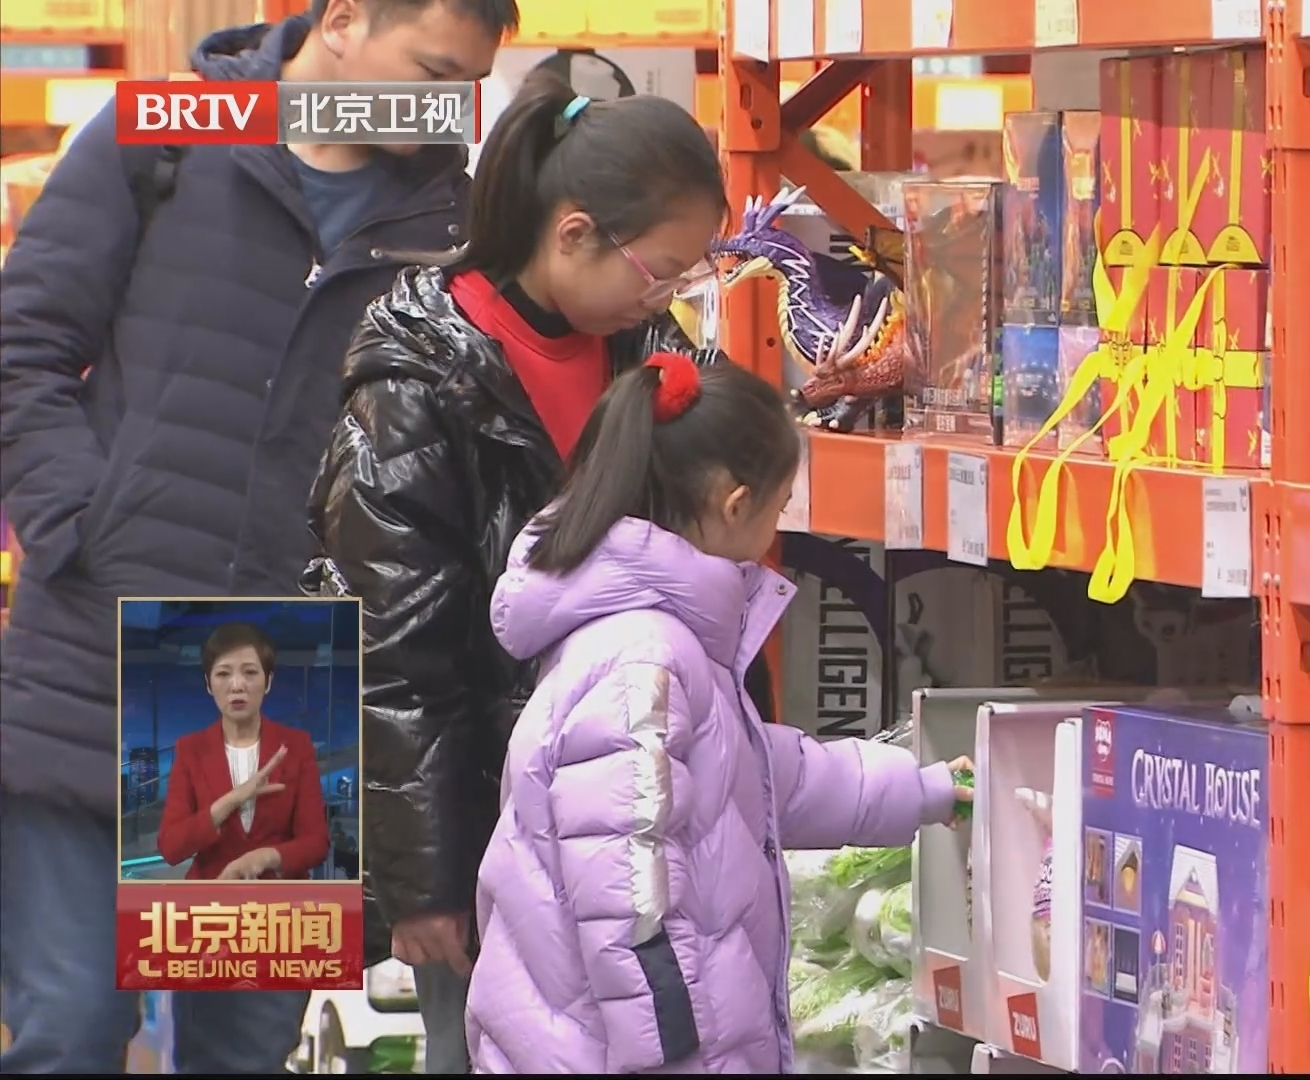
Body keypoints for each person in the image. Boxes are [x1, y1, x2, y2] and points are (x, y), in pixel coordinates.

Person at [0, 1, 515, 1072]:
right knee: (69, 1027)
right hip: (95, 647)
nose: (436, 110)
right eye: (425, 69)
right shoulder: (165, 135)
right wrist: (76, 520)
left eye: (460, 86)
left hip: (293, 683)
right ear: (341, 21)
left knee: (243, 1052)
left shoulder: (454, 224)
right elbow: (25, 341)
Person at [303, 73, 769, 1074]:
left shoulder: (646, 357)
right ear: (572, 234)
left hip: (640, 821)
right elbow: (396, 653)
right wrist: (423, 878)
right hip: (490, 835)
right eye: (660, 270)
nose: (668, 296)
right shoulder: (416, 390)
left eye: (685, 279)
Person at [465, 355, 972, 1073]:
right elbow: (628, 897)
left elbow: (761, 778)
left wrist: (919, 790)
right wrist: (674, 1056)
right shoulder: (643, 659)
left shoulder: (659, 644)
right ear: (737, 506)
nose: (776, 527)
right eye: (780, 504)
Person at [154, 622, 331, 884]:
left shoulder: (296, 746)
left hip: (280, 904)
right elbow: (170, 847)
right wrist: (233, 799)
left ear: (268, 681)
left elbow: (316, 843)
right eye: (223, 674)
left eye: (250, 672)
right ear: (208, 684)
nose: (237, 685)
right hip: (212, 901)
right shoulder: (190, 749)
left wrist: (265, 857)